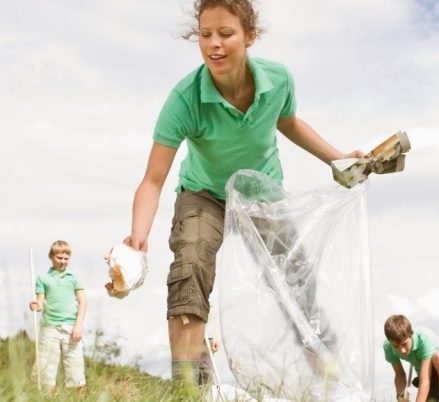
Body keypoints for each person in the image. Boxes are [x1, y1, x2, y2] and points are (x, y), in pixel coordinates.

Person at [123, 0, 362, 386]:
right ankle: (188, 386)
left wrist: (337, 159)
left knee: (294, 276)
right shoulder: (184, 99)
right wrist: (138, 236)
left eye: (225, 34)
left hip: (260, 191)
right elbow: (153, 179)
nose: (213, 44)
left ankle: (324, 368)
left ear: (249, 37)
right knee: (190, 267)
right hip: (203, 194)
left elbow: (289, 123)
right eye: (205, 35)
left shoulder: (278, 80)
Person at [29, 240, 87, 391]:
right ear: (52, 256)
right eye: (59, 258)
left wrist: (78, 326)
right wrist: (35, 305)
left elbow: (83, 303)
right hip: (50, 328)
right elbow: (40, 303)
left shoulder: (73, 278)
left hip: (71, 327)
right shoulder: (43, 278)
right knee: (46, 371)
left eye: (66, 259)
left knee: (76, 372)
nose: (63, 262)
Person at [383, 314, 439, 402]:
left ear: (411, 335)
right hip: (431, 373)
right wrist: (401, 398)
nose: (402, 350)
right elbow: (399, 374)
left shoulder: (423, 339)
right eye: (396, 346)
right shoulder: (388, 347)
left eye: (404, 344)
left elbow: (425, 381)